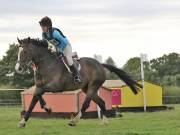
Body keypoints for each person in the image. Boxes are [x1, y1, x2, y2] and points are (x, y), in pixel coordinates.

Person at [39, 16, 82, 84]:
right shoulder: (44, 34)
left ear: (48, 26)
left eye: (43, 26)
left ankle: (76, 76)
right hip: (58, 48)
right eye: (41, 26)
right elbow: (45, 43)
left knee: (68, 59)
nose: (42, 28)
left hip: (66, 47)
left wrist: (62, 51)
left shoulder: (55, 33)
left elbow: (64, 42)